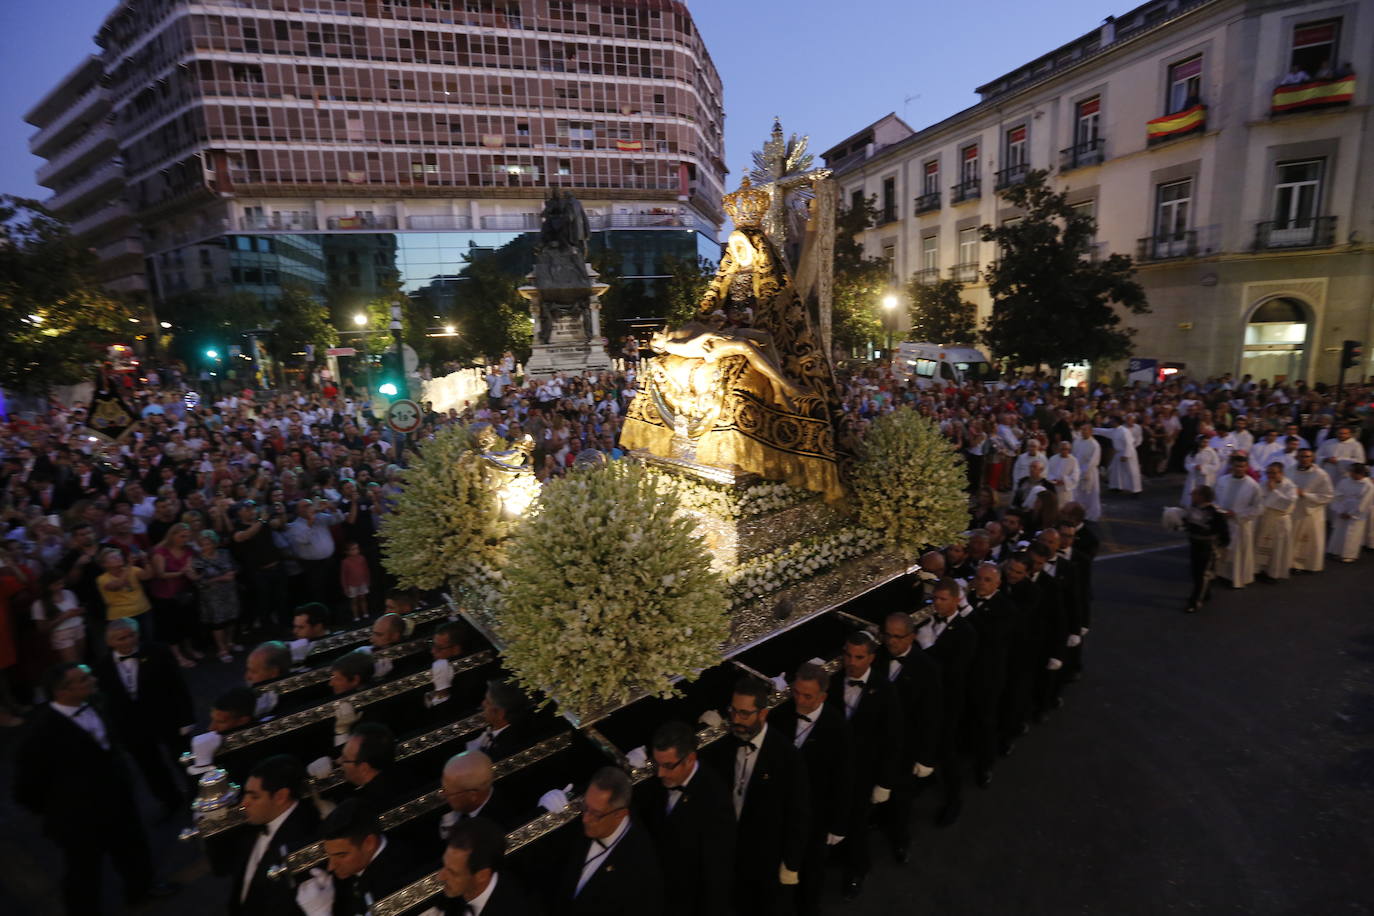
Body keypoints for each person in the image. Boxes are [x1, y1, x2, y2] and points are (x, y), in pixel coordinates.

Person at [14, 662, 179, 913]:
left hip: (117, 798)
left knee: (132, 849)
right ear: (63, 691)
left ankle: (141, 890)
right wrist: (60, 809)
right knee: (84, 870)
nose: (93, 680)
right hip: (78, 817)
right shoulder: (41, 733)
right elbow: (26, 788)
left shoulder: (98, 703)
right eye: (83, 679)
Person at [701, 676, 810, 914]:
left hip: (766, 858)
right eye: (733, 711)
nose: (736, 720)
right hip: (731, 852)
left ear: (763, 714)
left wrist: (790, 864)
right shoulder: (724, 747)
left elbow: (798, 814)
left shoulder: (786, 757)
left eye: (744, 714)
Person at [769, 663, 853, 916]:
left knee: (811, 869)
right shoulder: (781, 715)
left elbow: (844, 779)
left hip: (817, 813)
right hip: (782, 808)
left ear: (823, 697)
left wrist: (838, 824)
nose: (799, 699)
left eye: (807, 696)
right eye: (796, 692)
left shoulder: (838, 727)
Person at [93, 617, 194, 818]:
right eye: (123, 638)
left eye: (133, 635)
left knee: (184, 759)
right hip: (131, 727)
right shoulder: (101, 667)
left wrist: (187, 719)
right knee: (150, 766)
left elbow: (178, 686)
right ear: (110, 642)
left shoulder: (159, 652)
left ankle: (198, 794)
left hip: (167, 717)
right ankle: (170, 800)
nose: (130, 641)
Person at [826, 630, 901, 900]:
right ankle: (836, 856)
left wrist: (884, 782)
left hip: (863, 771)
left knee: (856, 822)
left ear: (871, 658)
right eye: (847, 655)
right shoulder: (832, 683)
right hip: (833, 769)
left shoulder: (884, 690)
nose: (852, 662)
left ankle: (857, 869)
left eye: (859, 657)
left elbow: (892, 739)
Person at [634, 720, 736, 916]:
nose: (660, 773)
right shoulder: (657, 784)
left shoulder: (715, 799)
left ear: (690, 759)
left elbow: (716, 873)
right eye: (657, 764)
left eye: (668, 766)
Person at [553, 766, 665, 915]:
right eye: (585, 807)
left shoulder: (640, 869)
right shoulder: (582, 820)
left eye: (596, 814)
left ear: (620, 814)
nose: (586, 819)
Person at [919, 577, 978, 826]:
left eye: (943, 599)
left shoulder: (966, 632)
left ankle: (954, 799)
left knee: (946, 750)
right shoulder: (927, 621)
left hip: (948, 701)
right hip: (924, 699)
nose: (938, 604)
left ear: (956, 600)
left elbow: (953, 672)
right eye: (935, 599)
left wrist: (927, 647)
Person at [230, 754, 321, 916]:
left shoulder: (302, 838)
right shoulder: (255, 824)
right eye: (245, 794)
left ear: (281, 796)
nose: (244, 803)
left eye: (254, 796)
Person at [295, 799, 412, 916]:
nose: (331, 867)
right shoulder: (362, 863)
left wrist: (319, 912)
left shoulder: (395, 883)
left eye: (341, 855)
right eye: (329, 855)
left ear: (369, 843)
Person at [438, 816, 541, 915]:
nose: (440, 877)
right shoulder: (452, 895)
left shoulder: (518, 908)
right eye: (444, 865)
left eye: (453, 873)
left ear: (481, 876)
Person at [438, 750, 523, 845]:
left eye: (450, 792)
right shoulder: (467, 801)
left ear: (472, 795)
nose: (443, 795)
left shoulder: (486, 830)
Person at [149, 522, 200, 668]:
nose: (185, 539)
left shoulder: (189, 551)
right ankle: (178, 656)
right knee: (171, 628)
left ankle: (189, 649)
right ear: (172, 535)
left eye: (187, 536)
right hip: (165, 596)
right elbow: (160, 574)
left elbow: (192, 569)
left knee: (186, 623)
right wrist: (181, 572)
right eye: (182, 536)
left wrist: (193, 575)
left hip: (183, 594)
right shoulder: (161, 551)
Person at [188, 528, 241, 663]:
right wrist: (221, 578)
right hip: (212, 597)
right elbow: (199, 583)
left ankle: (230, 642)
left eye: (209, 543)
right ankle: (222, 649)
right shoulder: (198, 560)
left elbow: (236, 566)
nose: (206, 546)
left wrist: (233, 573)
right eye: (203, 544)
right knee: (218, 623)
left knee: (231, 618)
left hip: (229, 592)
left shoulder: (225, 553)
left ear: (215, 543)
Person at [1214, 455, 1263, 588]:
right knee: (1221, 550)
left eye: (1242, 466)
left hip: (1240, 524)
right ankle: (1220, 574)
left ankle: (1236, 578)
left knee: (1237, 553)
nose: (1238, 469)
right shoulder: (1222, 480)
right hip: (1223, 522)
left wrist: (1237, 514)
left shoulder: (1253, 486)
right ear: (1231, 466)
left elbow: (1257, 508)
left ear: (1247, 467)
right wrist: (1219, 511)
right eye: (1236, 466)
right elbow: (1215, 499)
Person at [1181, 486, 1230, 613]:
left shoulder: (1216, 513)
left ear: (1202, 496)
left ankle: (1195, 601)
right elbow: (1188, 524)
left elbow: (1224, 533)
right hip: (1195, 544)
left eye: (1195, 493)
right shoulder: (1193, 508)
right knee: (1195, 572)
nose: (1191, 494)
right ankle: (1205, 592)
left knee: (1202, 574)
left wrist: (1220, 547)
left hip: (1207, 547)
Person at [339, 721, 405, 810]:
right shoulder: (396, 782)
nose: (339, 761)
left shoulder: (361, 808)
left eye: (345, 759)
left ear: (364, 768)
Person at [1289, 448, 1334, 573]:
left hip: (1312, 512)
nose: (1304, 459)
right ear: (1296, 457)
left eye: (1307, 457)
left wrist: (1305, 495)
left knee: (1308, 540)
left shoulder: (1321, 474)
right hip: (1293, 510)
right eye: (1302, 456)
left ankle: (1307, 565)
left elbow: (1328, 496)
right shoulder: (1289, 470)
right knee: (1293, 537)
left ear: (1312, 458)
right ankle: (1291, 563)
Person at [1254, 463, 1298, 583]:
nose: (1270, 476)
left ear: (1281, 473)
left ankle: (1273, 573)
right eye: (1268, 473)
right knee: (1261, 544)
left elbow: (1287, 504)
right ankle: (1259, 569)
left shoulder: (1290, 486)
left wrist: (1273, 491)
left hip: (1280, 521)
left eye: (1273, 473)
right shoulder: (1263, 484)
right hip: (1265, 519)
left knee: (1277, 548)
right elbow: (1258, 500)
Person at [95, 545, 156, 633]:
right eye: (113, 557)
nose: (118, 558)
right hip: (121, 617)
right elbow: (118, 585)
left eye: (119, 555)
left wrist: (145, 560)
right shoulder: (102, 579)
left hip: (143, 610)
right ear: (104, 564)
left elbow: (148, 576)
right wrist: (130, 564)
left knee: (148, 642)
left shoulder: (133, 569)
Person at [32, 568, 87, 663]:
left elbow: (77, 609)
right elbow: (42, 629)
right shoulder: (39, 604)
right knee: (72, 664)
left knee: (82, 660)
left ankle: (85, 675)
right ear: (48, 586)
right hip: (62, 633)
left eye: (62, 583)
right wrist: (63, 617)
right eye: (57, 584)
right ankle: (77, 677)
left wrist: (79, 611)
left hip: (78, 628)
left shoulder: (69, 593)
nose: (61, 586)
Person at [1329, 463, 1374, 563]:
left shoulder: (1369, 486)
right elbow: (1337, 495)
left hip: (1356, 513)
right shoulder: (1344, 481)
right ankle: (1336, 551)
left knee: (1352, 534)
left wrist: (1352, 513)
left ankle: (1349, 555)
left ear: (1361, 473)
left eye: (1352, 472)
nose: (1350, 474)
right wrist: (1340, 510)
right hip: (1343, 509)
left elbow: (1365, 502)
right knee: (1340, 531)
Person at [1094, 415, 1143, 494]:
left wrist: (1126, 455)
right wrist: (1092, 429)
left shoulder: (1124, 431)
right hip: (1119, 453)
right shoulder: (1114, 430)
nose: (1110, 422)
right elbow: (1103, 431)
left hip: (1128, 453)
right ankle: (1115, 487)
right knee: (1114, 470)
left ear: (1117, 422)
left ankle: (1136, 490)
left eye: (1112, 421)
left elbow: (1129, 444)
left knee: (1131, 472)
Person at [1071, 423, 1103, 520]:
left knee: (1090, 495)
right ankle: (1078, 514)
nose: (1083, 432)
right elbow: (1073, 456)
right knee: (1078, 494)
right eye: (1082, 429)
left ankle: (1091, 515)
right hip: (1077, 472)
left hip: (1089, 473)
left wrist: (1085, 472)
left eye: (1085, 430)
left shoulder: (1094, 445)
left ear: (1091, 431)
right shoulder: (1077, 441)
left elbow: (1093, 461)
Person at [1182, 434, 1220, 504]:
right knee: (1193, 491)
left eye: (1206, 442)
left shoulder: (1211, 452)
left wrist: (1203, 468)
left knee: (1204, 493)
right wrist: (1193, 466)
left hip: (1206, 477)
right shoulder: (1193, 452)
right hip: (1194, 476)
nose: (1204, 444)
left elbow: (1216, 465)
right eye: (1203, 442)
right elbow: (1187, 463)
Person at [340, 541, 370, 623]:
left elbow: (366, 570)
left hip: (362, 582)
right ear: (347, 552)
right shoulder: (345, 562)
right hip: (352, 584)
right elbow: (343, 575)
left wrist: (367, 580)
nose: (355, 551)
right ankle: (356, 616)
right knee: (354, 601)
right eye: (353, 549)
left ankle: (365, 613)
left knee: (363, 598)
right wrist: (345, 588)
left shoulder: (362, 558)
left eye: (356, 548)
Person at [1045, 440, 1081, 506]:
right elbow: (1047, 472)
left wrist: (1064, 481)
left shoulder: (1073, 460)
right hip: (1054, 487)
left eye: (1066, 449)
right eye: (1062, 449)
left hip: (1066, 489)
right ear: (1059, 449)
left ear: (1069, 450)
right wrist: (1054, 479)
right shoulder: (1053, 459)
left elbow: (1075, 474)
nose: (1064, 451)